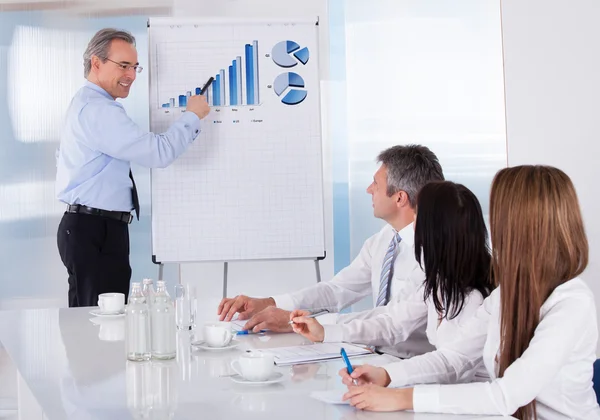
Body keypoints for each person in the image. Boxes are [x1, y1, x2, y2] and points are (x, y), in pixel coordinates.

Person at [340, 165, 600, 419]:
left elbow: (507, 394)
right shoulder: (505, 294)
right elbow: (454, 358)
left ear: (521, 229)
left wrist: (401, 397)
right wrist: (386, 376)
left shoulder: (571, 304)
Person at [218, 145, 445, 358]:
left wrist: (295, 322)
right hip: (373, 354)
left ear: (399, 197)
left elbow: (392, 321)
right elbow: (338, 290)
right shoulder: (385, 239)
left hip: (413, 362)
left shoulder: (436, 251)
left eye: (376, 183)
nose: (369, 189)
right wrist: (271, 303)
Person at [56, 28, 210, 307]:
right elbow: (159, 153)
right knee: (102, 327)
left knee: (93, 322)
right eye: (124, 66)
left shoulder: (91, 104)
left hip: (95, 229)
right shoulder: (98, 110)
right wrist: (192, 116)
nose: (132, 76)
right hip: (95, 231)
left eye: (135, 67)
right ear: (97, 63)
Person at [291, 181, 492, 383]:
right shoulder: (438, 278)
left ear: (434, 230)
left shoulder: (474, 297)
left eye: (417, 218)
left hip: (472, 398)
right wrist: (325, 332)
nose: (414, 226)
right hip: (448, 390)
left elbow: (451, 366)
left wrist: (388, 377)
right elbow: (393, 322)